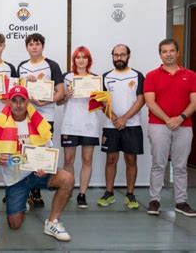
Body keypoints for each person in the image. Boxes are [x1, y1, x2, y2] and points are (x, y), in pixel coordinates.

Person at [0, 85, 74, 241]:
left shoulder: (39, 122)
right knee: (15, 224)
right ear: (8, 102)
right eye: (14, 100)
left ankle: (52, 222)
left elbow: (47, 153)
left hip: (36, 174)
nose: (18, 104)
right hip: (15, 180)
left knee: (67, 178)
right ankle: (24, 199)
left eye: (21, 100)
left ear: (27, 102)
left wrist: (45, 167)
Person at [144, 38, 196, 217]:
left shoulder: (191, 75)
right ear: (160, 54)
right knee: (158, 164)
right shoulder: (151, 75)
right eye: (164, 51)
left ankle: (181, 202)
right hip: (159, 125)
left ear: (177, 52)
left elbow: (194, 102)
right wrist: (168, 119)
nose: (168, 54)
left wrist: (180, 118)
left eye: (171, 51)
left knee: (180, 166)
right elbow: (150, 102)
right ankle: (154, 200)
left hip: (184, 125)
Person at [16, 33, 65, 209]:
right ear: (27, 47)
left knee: (41, 153)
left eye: (37, 44)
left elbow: (61, 92)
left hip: (45, 116)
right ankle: (23, 190)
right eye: (31, 44)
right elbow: (16, 91)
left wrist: (44, 101)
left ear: (42, 46)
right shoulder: (22, 66)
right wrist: (24, 85)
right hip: (24, 117)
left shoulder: (52, 65)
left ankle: (36, 190)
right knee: (25, 151)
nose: (34, 47)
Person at [97, 44, 145, 209]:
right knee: (111, 159)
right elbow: (102, 102)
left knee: (131, 159)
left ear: (128, 56)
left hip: (132, 125)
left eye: (122, 55)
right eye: (116, 55)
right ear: (112, 56)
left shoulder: (137, 75)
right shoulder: (105, 77)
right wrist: (115, 119)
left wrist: (124, 118)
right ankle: (109, 193)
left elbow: (141, 100)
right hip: (111, 126)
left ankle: (130, 194)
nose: (119, 58)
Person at [59, 46, 100, 209]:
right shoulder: (66, 77)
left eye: (84, 57)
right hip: (70, 124)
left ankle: (82, 194)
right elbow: (58, 101)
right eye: (78, 57)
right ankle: (67, 189)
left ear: (88, 60)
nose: (81, 60)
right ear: (74, 60)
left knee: (87, 159)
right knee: (68, 160)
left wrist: (98, 98)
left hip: (89, 124)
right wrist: (66, 96)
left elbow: (100, 105)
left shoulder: (95, 79)